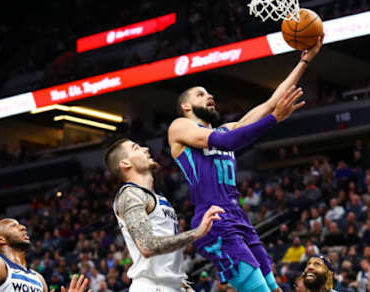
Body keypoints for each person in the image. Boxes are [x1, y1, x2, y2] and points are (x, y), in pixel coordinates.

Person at [168, 40, 323, 292]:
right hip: (214, 219)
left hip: (239, 217)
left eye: (209, 93)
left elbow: (272, 102)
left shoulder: (226, 128)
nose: (209, 96)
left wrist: (305, 60)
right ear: (186, 107)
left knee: (274, 288)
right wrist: (274, 119)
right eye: (200, 94)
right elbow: (228, 142)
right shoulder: (179, 127)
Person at [104, 139, 225, 292]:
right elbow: (147, 246)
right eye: (136, 148)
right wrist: (197, 233)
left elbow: (164, 253)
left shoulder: (158, 198)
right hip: (151, 287)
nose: (146, 148)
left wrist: (180, 282)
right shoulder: (130, 195)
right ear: (126, 164)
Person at [0, 218, 92, 292]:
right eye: (13, 226)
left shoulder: (38, 278)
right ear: (1, 239)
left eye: (20, 224)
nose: (23, 227)